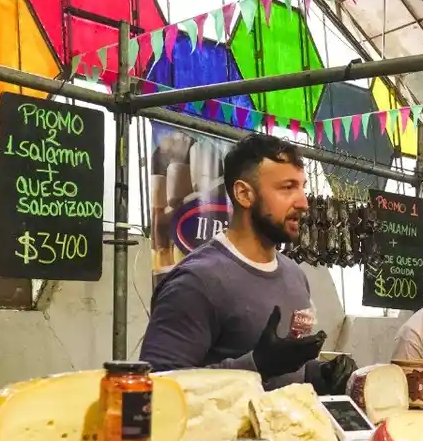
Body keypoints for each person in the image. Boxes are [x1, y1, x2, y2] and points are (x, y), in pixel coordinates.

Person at [141, 134, 338, 390]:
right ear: (244, 194)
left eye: (302, 187)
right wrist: (257, 365)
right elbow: (156, 387)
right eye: (287, 188)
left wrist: (318, 373)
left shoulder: (294, 276)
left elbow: (287, 368)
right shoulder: (197, 282)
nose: (303, 203)